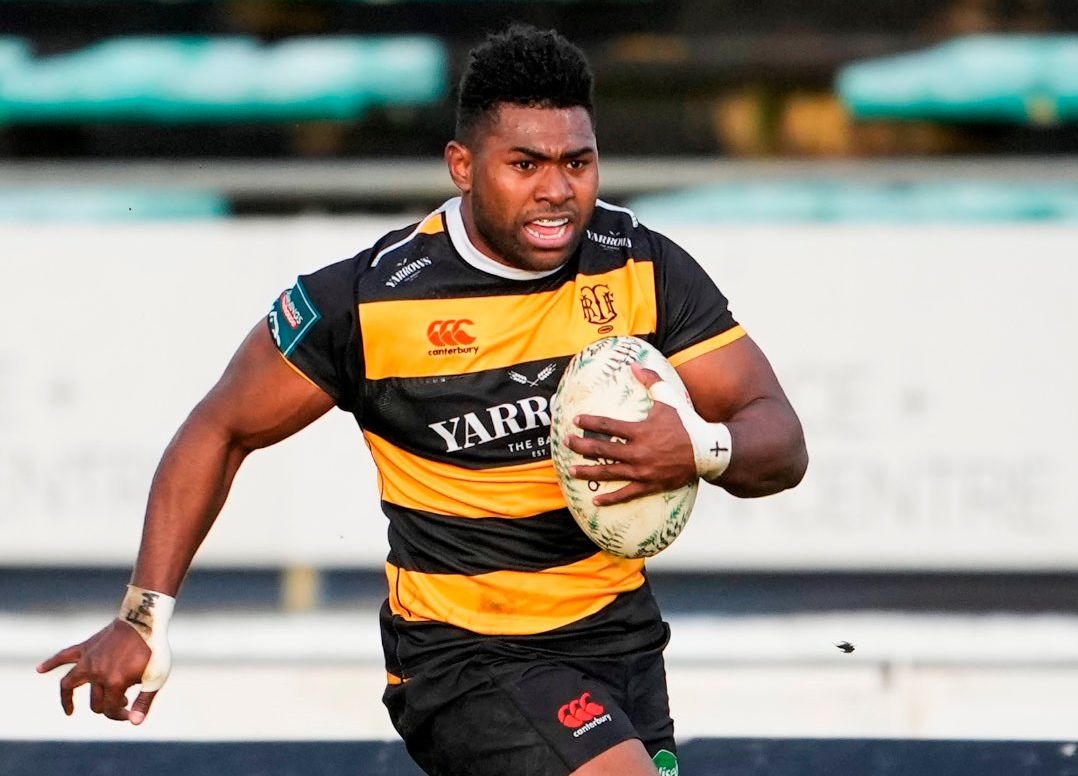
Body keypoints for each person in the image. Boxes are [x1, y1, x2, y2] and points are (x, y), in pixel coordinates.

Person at [38, 25, 807, 776]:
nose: (557, 190)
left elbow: (781, 439)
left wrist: (703, 447)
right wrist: (143, 617)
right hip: (466, 658)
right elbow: (220, 429)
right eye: (525, 164)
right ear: (462, 166)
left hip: (621, 640)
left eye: (578, 162)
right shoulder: (367, 300)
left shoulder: (639, 265)